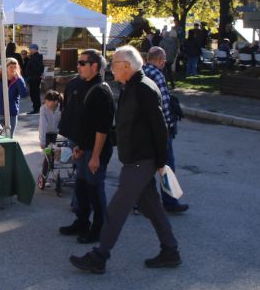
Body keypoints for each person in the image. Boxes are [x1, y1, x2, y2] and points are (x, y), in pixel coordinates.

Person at [70, 45, 180, 274]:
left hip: (142, 160)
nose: (111, 68)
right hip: (136, 159)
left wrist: (160, 162)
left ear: (127, 66)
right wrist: (88, 145)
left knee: (117, 208)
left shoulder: (144, 89)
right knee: (152, 207)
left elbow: (160, 129)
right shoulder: (130, 87)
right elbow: (125, 126)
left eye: (114, 64)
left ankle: (100, 256)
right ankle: (170, 251)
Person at [58, 49, 115, 245]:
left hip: (96, 150)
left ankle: (99, 229)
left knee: (95, 189)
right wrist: (80, 146)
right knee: (82, 187)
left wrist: (95, 156)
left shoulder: (101, 91)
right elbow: (83, 123)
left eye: (83, 63)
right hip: (84, 147)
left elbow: (102, 129)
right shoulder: (80, 84)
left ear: (95, 66)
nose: (78, 66)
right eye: (79, 62)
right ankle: (82, 222)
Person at [143, 47, 189, 213]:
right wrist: (170, 126)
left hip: (144, 129)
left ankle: (140, 202)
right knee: (167, 167)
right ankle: (170, 202)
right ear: (160, 60)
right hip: (160, 130)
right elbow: (164, 105)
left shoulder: (139, 72)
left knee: (145, 168)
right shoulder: (158, 75)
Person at [25, 43, 45, 114]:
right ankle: (36, 108)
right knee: (34, 93)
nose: (29, 50)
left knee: (34, 93)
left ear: (34, 49)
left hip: (34, 78)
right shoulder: (34, 56)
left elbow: (38, 68)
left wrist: (35, 75)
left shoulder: (36, 57)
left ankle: (36, 108)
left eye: (30, 49)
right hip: (34, 78)